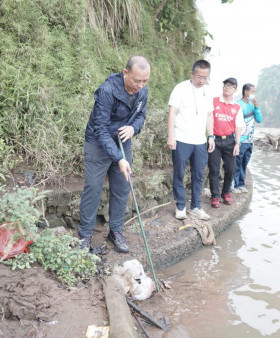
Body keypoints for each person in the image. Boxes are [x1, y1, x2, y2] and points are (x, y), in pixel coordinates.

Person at [78, 55, 151, 253]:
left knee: (122, 187)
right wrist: (118, 158)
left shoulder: (142, 91)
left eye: (145, 81)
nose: (140, 85)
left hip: (123, 141)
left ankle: (115, 231)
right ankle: (85, 236)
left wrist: (133, 129)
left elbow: (141, 116)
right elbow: (100, 128)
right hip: (98, 143)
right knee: (93, 188)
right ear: (125, 73)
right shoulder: (107, 90)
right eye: (137, 80)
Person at [167, 60, 215, 220]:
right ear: (192, 74)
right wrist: (171, 136)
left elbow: (209, 115)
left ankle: (196, 206)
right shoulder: (181, 88)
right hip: (181, 139)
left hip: (200, 141)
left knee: (199, 174)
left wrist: (211, 136)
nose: (201, 80)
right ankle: (181, 206)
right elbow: (172, 113)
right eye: (199, 76)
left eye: (205, 77)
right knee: (179, 173)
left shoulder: (208, 92)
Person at [208, 78, 245, 208]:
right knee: (214, 169)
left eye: (231, 86)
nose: (227, 87)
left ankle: (226, 192)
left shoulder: (237, 107)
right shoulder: (214, 101)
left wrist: (238, 144)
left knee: (231, 169)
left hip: (230, 141)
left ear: (235, 89)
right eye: (226, 85)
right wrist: (210, 137)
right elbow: (209, 119)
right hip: (215, 140)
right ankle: (215, 195)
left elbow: (238, 126)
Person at [232, 83, 262, 193]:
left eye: (254, 92)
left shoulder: (252, 105)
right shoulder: (237, 104)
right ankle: (234, 185)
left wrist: (257, 107)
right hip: (240, 140)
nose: (254, 94)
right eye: (252, 91)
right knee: (237, 162)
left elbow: (259, 120)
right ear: (246, 92)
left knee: (245, 162)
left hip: (250, 140)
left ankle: (241, 184)